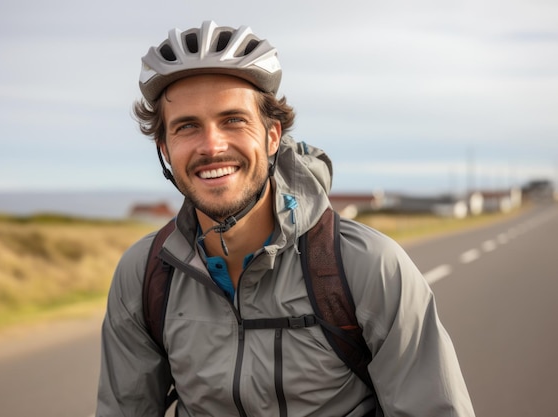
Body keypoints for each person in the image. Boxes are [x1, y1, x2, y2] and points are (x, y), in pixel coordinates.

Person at [96, 21, 475, 417]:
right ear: (165, 149)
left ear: (273, 135)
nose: (211, 146)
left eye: (233, 120)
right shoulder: (144, 276)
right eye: (187, 126)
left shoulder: (368, 265)